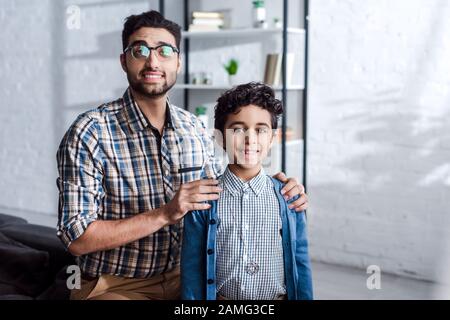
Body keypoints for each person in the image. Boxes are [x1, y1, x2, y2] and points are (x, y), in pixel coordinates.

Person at [57, 11, 308, 300]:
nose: (153, 61)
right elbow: (76, 238)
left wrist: (276, 189)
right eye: (140, 50)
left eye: (165, 51)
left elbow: (224, 188)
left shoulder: (194, 128)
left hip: (189, 277)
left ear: (178, 62)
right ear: (124, 61)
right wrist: (165, 213)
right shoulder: (89, 132)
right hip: (116, 284)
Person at [181, 82, 313, 300]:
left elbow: (301, 261)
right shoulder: (203, 200)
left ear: (271, 138)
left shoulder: (289, 196)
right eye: (238, 129)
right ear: (220, 137)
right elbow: (193, 268)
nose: (250, 139)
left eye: (260, 130)